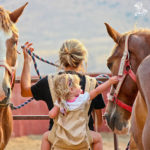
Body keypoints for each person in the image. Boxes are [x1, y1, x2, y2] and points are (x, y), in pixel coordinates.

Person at [21, 39, 105, 149]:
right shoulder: (92, 84)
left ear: (61, 58)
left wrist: (27, 61)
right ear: (82, 59)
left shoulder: (49, 81)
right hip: (83, 143)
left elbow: (24, 91)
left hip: (57, 142)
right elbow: (98, 123)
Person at [41, 74, 118, 150]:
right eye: (78, 85)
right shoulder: (82, 99)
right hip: (81, 139)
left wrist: (55, 108)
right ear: (71, 89)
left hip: (62, 139)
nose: (80, 87)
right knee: (98, 138)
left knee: (45, 136)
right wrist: (109, 82)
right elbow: (97, 91)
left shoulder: (60, 102)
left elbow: (52, 115)